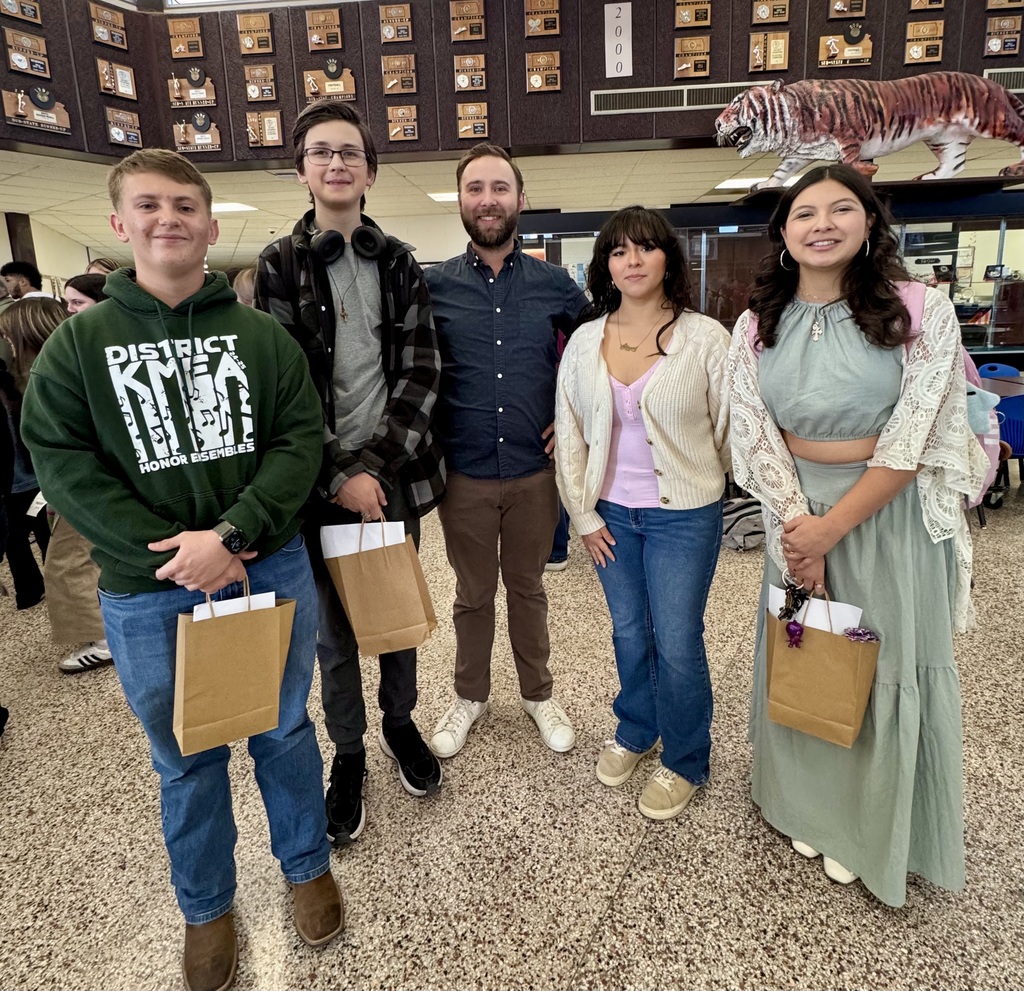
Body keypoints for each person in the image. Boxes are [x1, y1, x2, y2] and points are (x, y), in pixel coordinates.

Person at [21, 148, 343, 991]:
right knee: (186, 759)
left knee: (284, 730)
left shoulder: (260, 338)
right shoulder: (77, 347)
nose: (170, 219)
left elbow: (297, 440)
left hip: (265, 568)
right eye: (149, 206)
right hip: (147, 590)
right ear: (121, 225)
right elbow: (63, 463)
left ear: (209, 224)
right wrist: (178, 552)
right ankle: (207, 909)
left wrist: (230, 535)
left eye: (186, 206)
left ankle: (307, 863)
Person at [727, 164, 989, 906]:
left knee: (879, 660)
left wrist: (830, 529)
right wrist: (797, 528)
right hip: (794, 511)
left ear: (870, 223)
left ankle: (868, 827)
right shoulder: (756, 322)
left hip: (885, 515)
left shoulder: (921, 310)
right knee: (811, 652)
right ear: (782, 233)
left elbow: (914, 434)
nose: (822, 223)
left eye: (842, 208)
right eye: (804, 211)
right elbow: (753, 429)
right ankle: (803, 805)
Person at [255, 101, 444, 847]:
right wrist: (338, 474)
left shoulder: (397, 259)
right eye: (321, 153)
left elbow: (423, 370)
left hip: (394, 477)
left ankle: (400, 724)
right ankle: (351, 752)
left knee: (394, 617)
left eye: (350, 153)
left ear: (370, 169)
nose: (337, 164)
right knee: (332, 636)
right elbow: (284, 386)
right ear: (302, 168)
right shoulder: (277, 265)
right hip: (315, 483)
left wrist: (373, 467)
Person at [555, 205, 730, 820]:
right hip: (611, 517)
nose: (632, 260)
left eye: (646, 248)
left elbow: (732, 430)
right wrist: (583, 515)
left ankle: (685, 758)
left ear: (667, 259)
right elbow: (570, 433)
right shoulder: (584, 341)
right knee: (629, 631)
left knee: (678, 639)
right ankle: (636, 727)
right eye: (619, 251)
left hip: (684, 516)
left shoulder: (706, 338)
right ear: (606, 264)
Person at [425, 143, 588, 759]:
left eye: (499, 188)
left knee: (527, 588)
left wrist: (572, 422)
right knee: (471, 593)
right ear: (461, 201)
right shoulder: (432, 286)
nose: (487, 200)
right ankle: (470, 695)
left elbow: (596, 363)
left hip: (534, 474)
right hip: (463, 474)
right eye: (475, 189)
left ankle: (538, 693)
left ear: (520, 199)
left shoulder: (558, 288)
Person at [0, 298, 63, 610]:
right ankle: (36, 590)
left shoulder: (49, 378)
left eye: (9, 338)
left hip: (40, 478)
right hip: (34, 479)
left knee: (53, 545)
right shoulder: (17, 377)